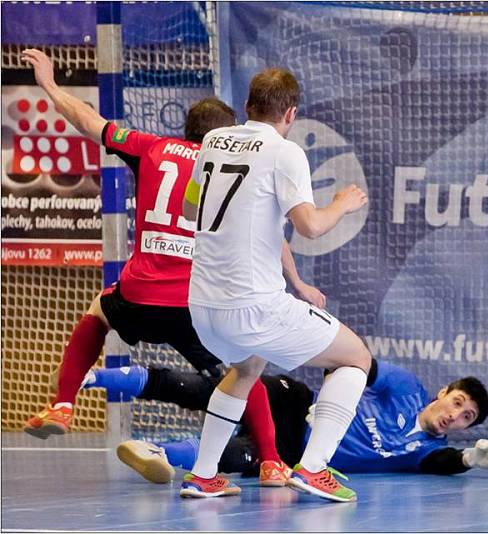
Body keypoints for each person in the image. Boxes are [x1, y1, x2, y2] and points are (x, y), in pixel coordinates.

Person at [20, 50, 325, 487]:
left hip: (139, 294)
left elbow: (89, 121)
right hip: (196, 304)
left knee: (98, 313)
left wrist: (49, 85)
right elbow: (274, 236)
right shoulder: (239, 165)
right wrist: (297, 282)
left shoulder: (152, 149)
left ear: (187, 129)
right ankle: (273, 461)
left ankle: (64, 404)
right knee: (245, 370)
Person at [179, 67, 372, 502]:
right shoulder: (285, 152)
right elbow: (310, 227)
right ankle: (313, 468)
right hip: (252, 307)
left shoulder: (212, 142)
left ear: (247, 107)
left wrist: (296, 281)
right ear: (291, 112)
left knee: (247, 368)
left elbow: (193, 214)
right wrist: (341, 204)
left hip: (202, 306)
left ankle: (203, 475)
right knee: (355, 357)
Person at [84, 359, 488, 483]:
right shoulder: (406, 387)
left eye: (467, 418)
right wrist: (333, 401)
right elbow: (353, 363)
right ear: (443, 392)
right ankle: (96, 377)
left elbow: (443, 464)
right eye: (457, 402)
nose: (454, 415)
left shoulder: (425, 452)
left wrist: (469, 460)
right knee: (222, 390)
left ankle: (156, 452)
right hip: (297, 405)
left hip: (293, 452)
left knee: (239, 457)